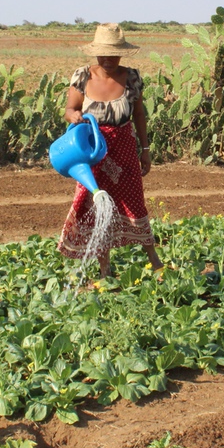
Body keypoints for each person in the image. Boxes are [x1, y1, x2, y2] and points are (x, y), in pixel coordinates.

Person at [58, 23, 164, 277]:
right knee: (96, 204)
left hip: (124, 149)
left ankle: (155, 260)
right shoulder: (83, 76)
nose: (108, 59)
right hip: (92, 151)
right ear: (96, 53)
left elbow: (139, 115)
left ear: (121, 53)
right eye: (103, 54)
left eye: (113, 53)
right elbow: (69, 109)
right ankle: (105, 270)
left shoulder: (131, 78)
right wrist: (74, 116)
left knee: (134, 202)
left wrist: (145, 149)